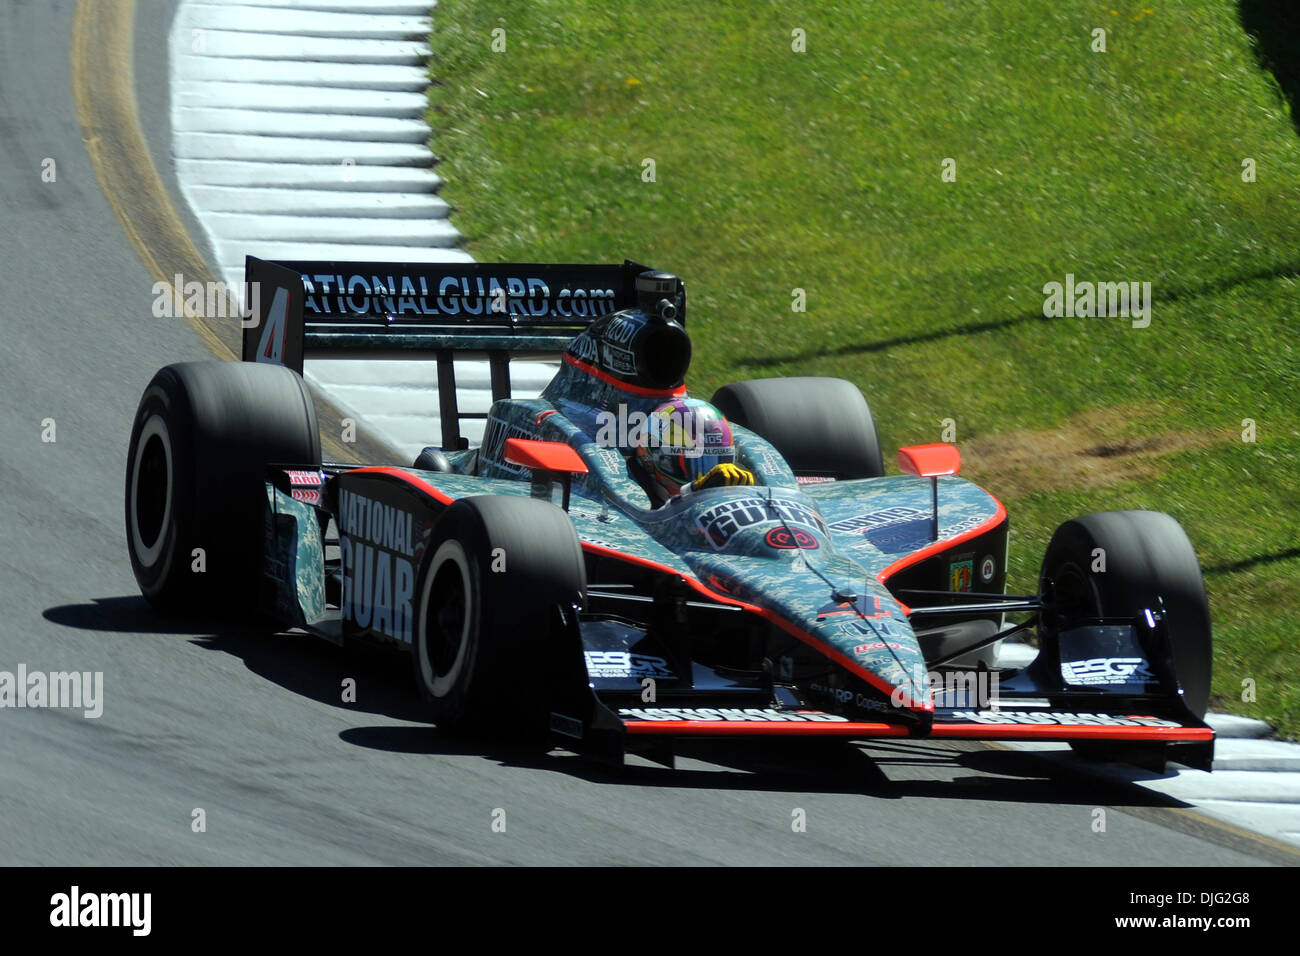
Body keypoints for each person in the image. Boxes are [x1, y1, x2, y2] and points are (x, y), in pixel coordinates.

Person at [631, 398, 755, 507]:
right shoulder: (628, 493)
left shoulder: (737, 477)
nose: (706, 477)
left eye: (716, 462)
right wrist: (692, 490)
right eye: (692, 464)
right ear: (648, 458)